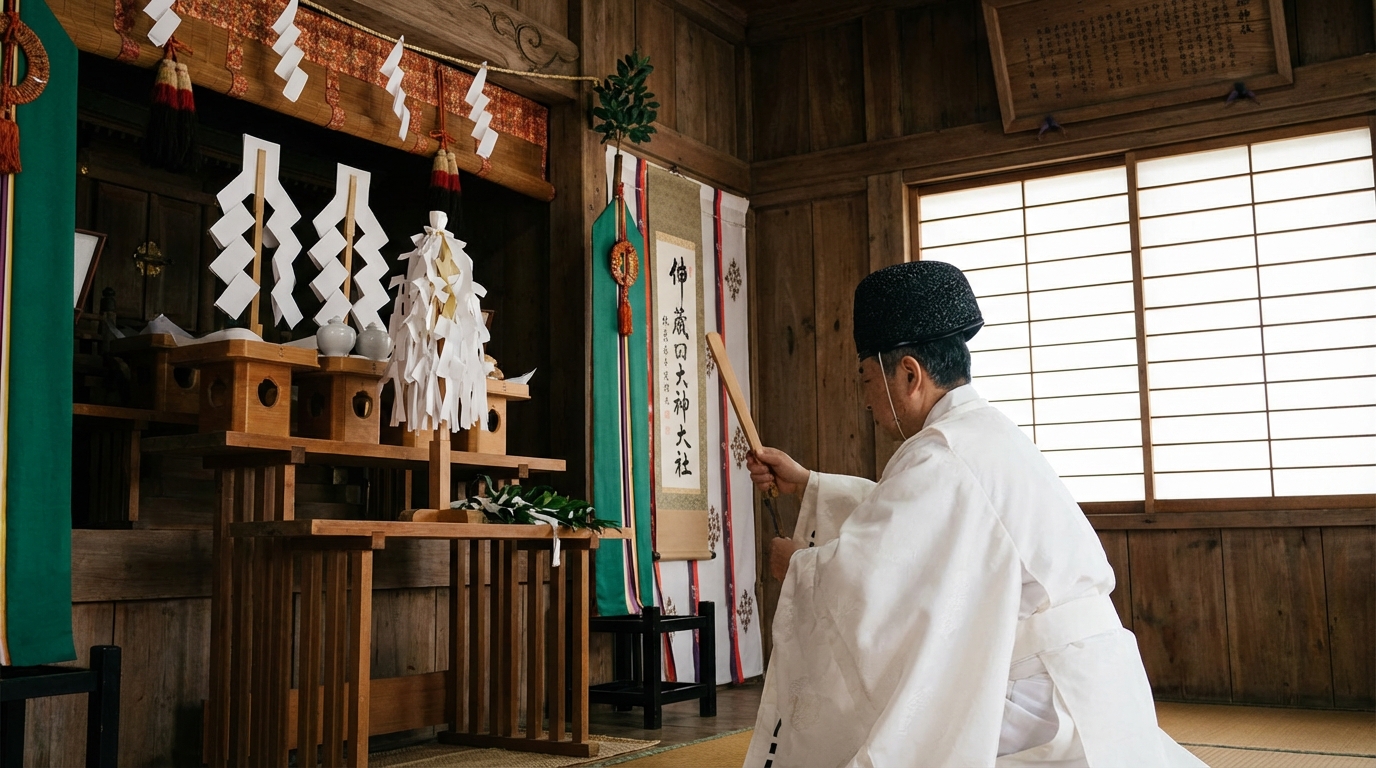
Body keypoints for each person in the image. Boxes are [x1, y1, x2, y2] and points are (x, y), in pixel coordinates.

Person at [742, 261, 1205, 767]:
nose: (866, 399)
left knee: (898, 730)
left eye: (867, 379)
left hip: (1036, 696)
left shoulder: (943, 455)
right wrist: (809, 483)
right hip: (1088, 680)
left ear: (910, 375)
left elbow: (879, 569)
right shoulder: (980, 434)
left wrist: (799, 567)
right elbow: (913, 527)